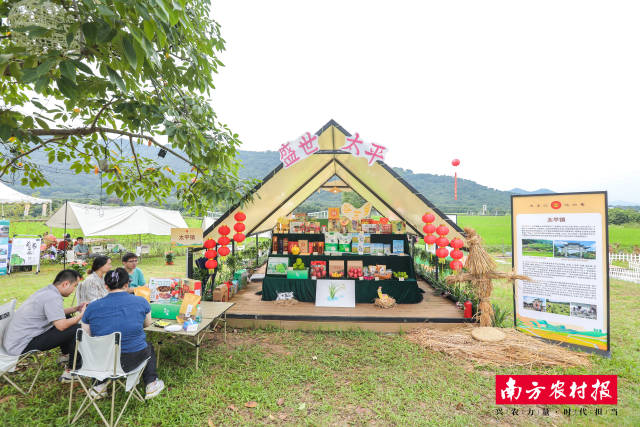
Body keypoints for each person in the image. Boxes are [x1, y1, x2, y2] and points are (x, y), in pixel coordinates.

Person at [81, 268, 164, 400]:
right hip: (133, 359)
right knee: (148, 346)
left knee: (99, 347)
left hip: (100, 363)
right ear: (127, 285)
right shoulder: (141, 302)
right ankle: (151, 383)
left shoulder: (91, 307)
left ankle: (99, 386)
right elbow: (147, 324)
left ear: (106, 286)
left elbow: (85, 335)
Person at [3, 270, 86, 382]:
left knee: (66, 317)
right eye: (74, 286)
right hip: (22, 344)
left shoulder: (47, 291)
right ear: (65, 284)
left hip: (16, 340)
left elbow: (56, 313)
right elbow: (61, 326)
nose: (74, 290)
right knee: (76, 329)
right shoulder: (52, 297)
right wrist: (82, 314)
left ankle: (66, 355)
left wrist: (76, 309)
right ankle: (72, 372)